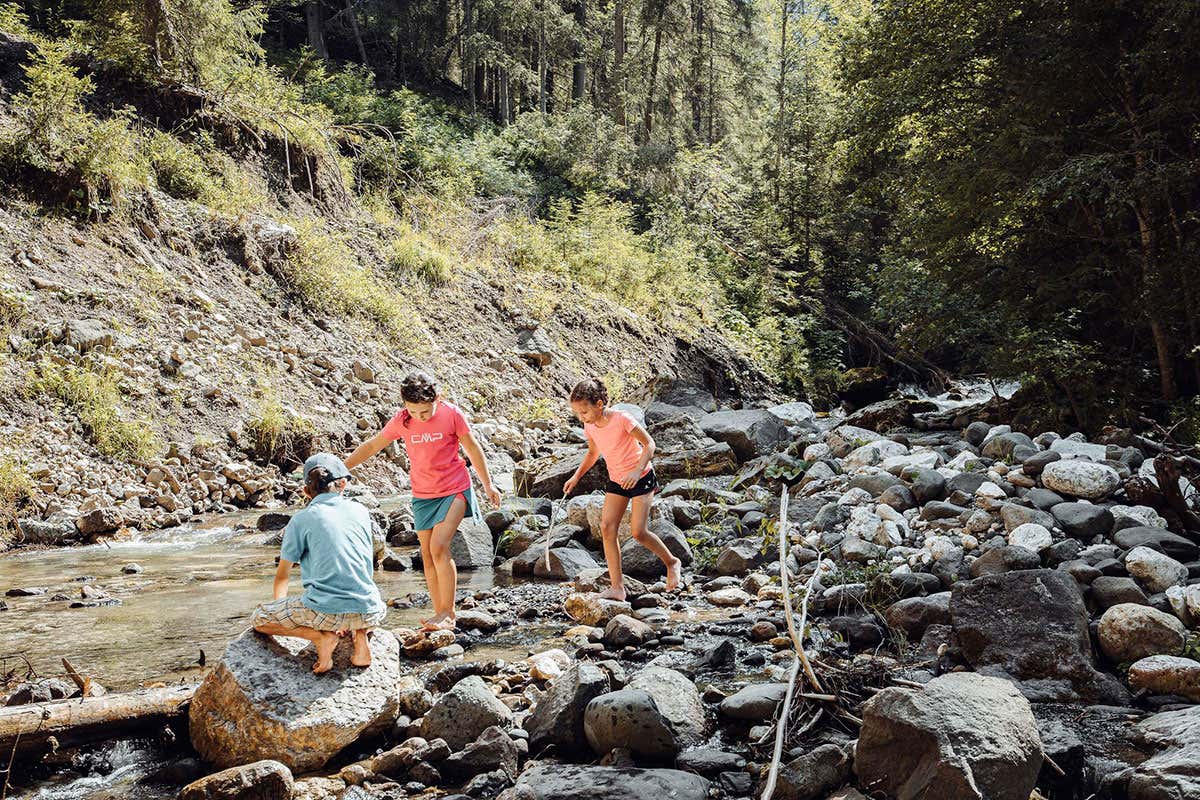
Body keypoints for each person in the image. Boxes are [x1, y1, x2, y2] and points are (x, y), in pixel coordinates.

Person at [345, 371, 501, 631]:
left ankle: (448, 614)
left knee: (439, 547)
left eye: (425, 412)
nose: (419, 417)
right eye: (413, 412)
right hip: (423, 494)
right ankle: (437, 612)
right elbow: (373, 446)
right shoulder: (402, 420)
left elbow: (472, 448)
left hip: (455, 488)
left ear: (437, 398)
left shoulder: (452, 414)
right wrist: (342, 467)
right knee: (427, 555)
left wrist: (488, 484)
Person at [251, 453, 386, 674]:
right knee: (354, 603)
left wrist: (282, 612)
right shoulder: (361, 511)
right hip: (371, 609)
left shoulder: (301, 519)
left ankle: (320, 637)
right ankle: (360, 637)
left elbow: (283, 575)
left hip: (326, 611)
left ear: (306, 491)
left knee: (259, 618)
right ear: (342, 484)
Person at [563, 378, 681, 599]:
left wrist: (637, 471)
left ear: (599, 404)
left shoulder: (622, 419)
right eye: (578, 413)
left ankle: (672, 562)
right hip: (617, 480)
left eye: (584, 411)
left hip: (641, 476)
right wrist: (576, 477)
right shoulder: (589, 426)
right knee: (607, 527)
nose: (582, 417)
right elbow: (592, 453)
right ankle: (617, 588)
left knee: (638, 532)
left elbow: (649, 444)